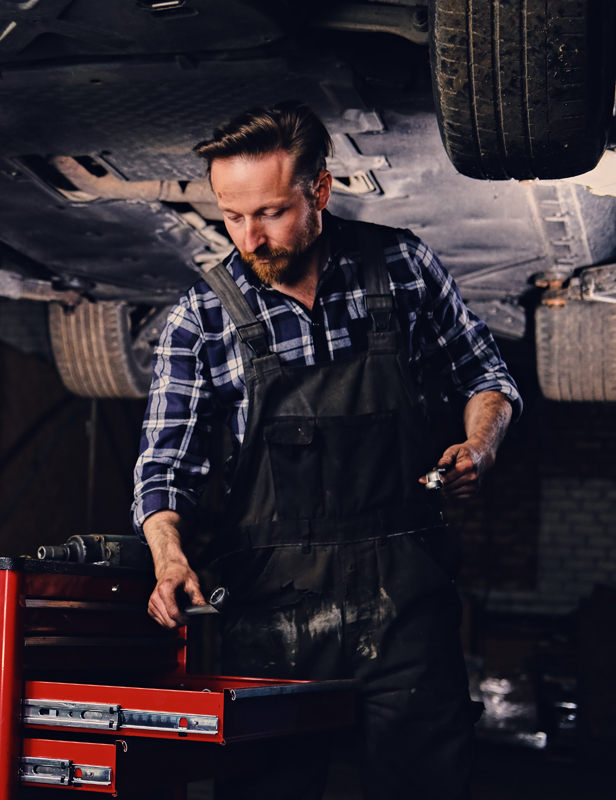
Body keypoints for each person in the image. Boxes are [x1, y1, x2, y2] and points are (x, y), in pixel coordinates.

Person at [131, 102, 520, 800]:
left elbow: (486, 377)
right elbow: (164, 467)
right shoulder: (202, 317)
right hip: (271, 622)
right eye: (232, 215)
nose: (249, 238)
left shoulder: (400, 265)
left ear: (320, 191)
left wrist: (482, 446)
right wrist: (169, 558)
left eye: (270, 212)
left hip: (406, 607)